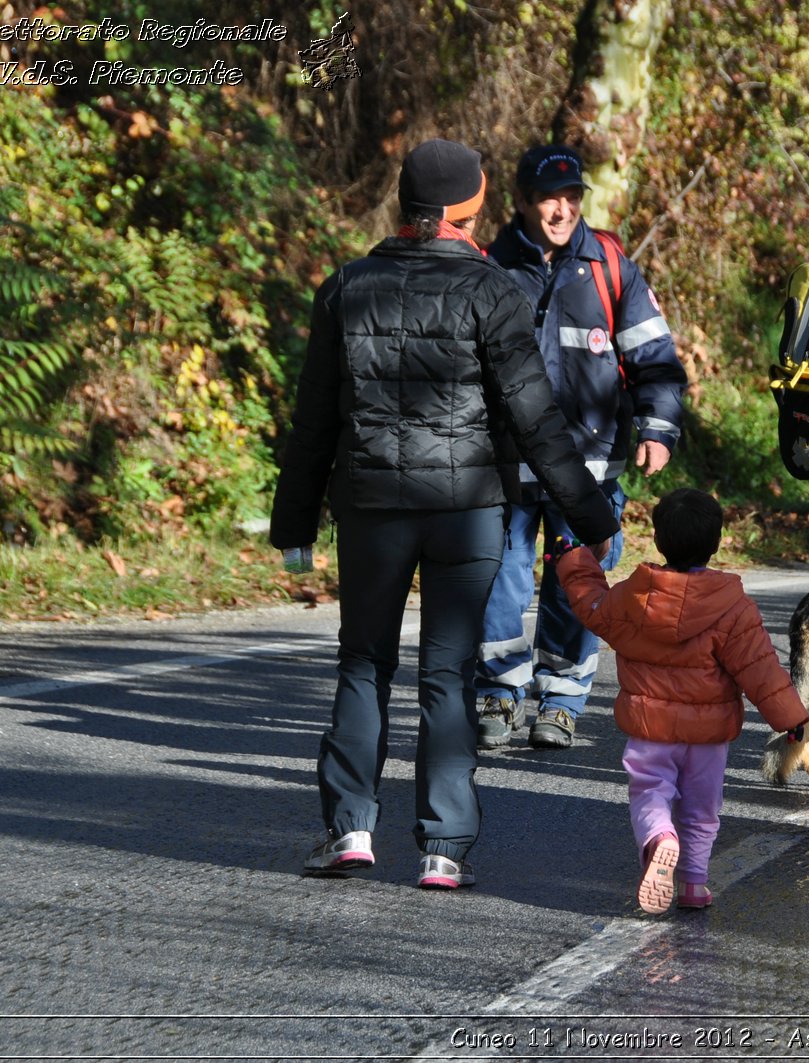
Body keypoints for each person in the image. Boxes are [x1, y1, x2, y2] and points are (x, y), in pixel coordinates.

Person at [270, 139, 619, 890]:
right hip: (467, 510)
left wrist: (294, 521)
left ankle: (351, 829)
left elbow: (313, 421)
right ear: (473, 206)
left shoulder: (346, 287)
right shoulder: (493, 292)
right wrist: (590, 514)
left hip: (371, 507)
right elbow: (536, 420)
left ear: (405, 204)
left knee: (363, 662)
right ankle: (443, 845)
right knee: (449, 671)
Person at [474, 144, 688, 752]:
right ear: (522, 201)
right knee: (501, 582)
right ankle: (498, 691)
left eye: (572, 197)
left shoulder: (610, 266)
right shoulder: (490, 266)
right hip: (507, 465)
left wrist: (658, 428)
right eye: (550, 198)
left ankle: (562, 700)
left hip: (589, 471)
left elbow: (657, 362)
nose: (562, 209)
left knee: (577, 583)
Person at [553, 488, 808, 912]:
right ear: (717, 542)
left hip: (650, 729)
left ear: (657, 540)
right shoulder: (733, 606)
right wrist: (790, 717)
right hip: (708, 737)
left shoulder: (633, 598)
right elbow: (760, 668)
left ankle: (659, 837)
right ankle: (693, 884)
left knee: (651, 792)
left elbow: (591, 604)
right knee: (702, 809)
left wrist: (574, 560)